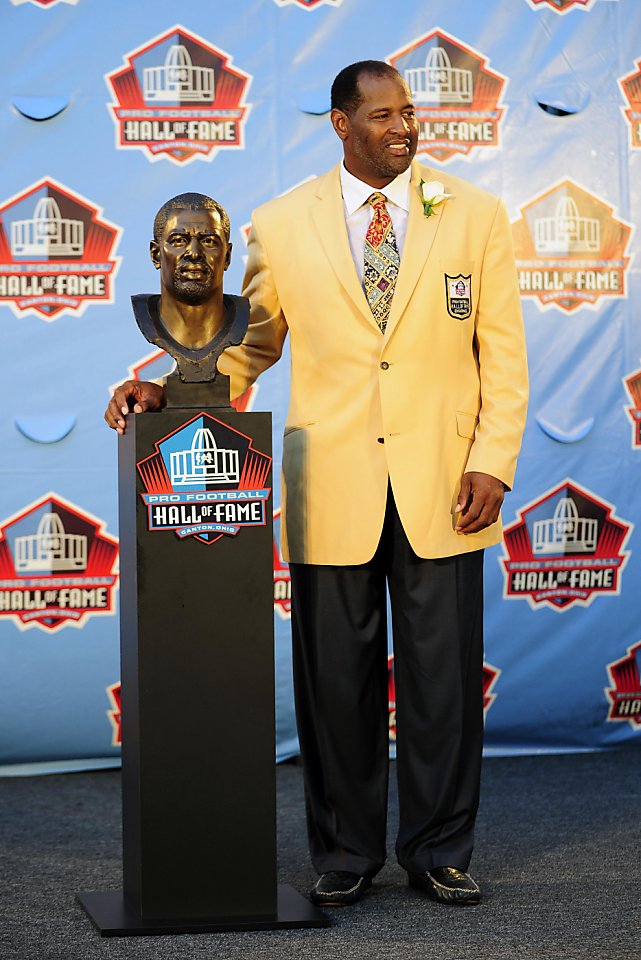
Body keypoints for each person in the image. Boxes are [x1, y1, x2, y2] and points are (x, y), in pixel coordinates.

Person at [106, 60, 528, 910]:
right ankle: (345, 851)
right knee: (335, 683)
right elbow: (247, 345)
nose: (402, 126)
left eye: (408, 111)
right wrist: (163, 383)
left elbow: (503, 355)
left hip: (445, 484)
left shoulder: (474, 214)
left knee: (442, 686)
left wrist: (492, 459)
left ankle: (440, 849)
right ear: (341, 124)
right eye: (381, 115)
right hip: (328, 482)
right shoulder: (280, 223)